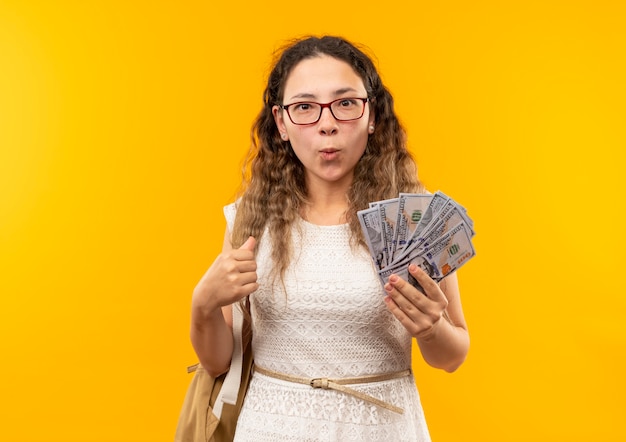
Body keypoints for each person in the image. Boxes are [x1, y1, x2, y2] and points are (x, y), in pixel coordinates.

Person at [190, 35, 470, 441]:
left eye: (345, 103)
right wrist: (203, 304)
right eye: (304, 107)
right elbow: (219, 362)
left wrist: (431, 330)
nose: (327, 123)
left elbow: (452, 356)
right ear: (281, 123)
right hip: (271, 428)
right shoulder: (252, 216)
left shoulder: (414, 218)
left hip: (381, 429)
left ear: (372, 115)